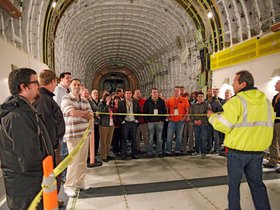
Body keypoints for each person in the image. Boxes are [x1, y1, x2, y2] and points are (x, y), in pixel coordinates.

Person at [207, 70, 274, 210]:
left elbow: (224, 125)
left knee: (234, 185)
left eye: (234, 81)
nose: (232, 84)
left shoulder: (237, 101)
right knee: (257, 184)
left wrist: (212, 116)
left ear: (243, 84)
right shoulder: (266, 101)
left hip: (238, 151)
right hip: (257, 151)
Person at [0, 68, 54, 210]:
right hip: (26, 189)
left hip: (32, 184)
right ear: (23, 87)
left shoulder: (25, 110)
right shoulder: (16, 116)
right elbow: (28, 155)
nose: (39, 86)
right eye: (35, 82)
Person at [34, 69, 65, 207]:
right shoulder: (44, 100)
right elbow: (47, 126)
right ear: (53, 81)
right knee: (51, 176)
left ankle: (52, 199)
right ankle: (50, 202)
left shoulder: (46, 98)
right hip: (50, 147)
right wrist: (53, 146)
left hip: (51, 145)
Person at [61, 79, 93, 197]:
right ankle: (69, 186)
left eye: (79, 85)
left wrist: (81, 113)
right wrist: (84, 113)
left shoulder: (84, 100)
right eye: (74, 84)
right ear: (70, 86)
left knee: (82, 161)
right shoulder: (66, 98)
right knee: (73, 162)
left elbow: (91, 115)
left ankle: (80, 182)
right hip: (73, 135)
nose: (77, 87)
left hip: (84, 134)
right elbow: (71, 113)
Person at [53, 72, 72, 182]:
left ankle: (66, 174)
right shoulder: (59, 90)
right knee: (63, 152)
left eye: (70, 78)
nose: (69, 79)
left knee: (67, 151)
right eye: (67, 78)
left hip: (67, 125)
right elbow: (59, 108)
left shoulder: (66, 90)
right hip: (62, 125)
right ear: (61, 79)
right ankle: (64, 176)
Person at [165, 86, 190, 155]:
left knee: (179, 136)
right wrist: (168, 116)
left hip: (180, 121)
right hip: (172, 121)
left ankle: (177, 150)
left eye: (177, 91)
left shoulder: (184, 100)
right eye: (175, 91)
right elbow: (166, 108)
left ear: (180, 92)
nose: (176, 92)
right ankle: (168, 150)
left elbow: (187, 110)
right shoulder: (170, 100)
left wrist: (184, 118)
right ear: (173, 92)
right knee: (169, 135)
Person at [117, 89, 141, 159]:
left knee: (134, 139)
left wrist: (137, 119)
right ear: (125, 94)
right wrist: (122, 121)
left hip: (133, 122)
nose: (129, 95)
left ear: (131, 94)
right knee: (124, 139)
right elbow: (118, 113)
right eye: (127, 93)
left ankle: (134, 154)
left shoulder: (135, 102)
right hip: (125, 123)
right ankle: (124, 154)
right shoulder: (121, 102)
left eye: (130, 93)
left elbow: (139, 111)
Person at [143, 88, 167, 157]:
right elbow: (145, 112)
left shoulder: (161, 101)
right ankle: (149, 152)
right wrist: (147, 121)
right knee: (150, 138)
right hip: (150, 123)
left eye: (156, 92)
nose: (155, 94)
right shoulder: (147, 101)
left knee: (159, 138)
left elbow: (164, 112)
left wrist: (162, 120)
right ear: (151, 93)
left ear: (158, 93)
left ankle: (160, 152)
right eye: (153, 92)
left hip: (159, 122)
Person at [263, 79, 280, 172]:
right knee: (272, 142)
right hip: (273, 122)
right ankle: (273, 161)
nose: (275, 85)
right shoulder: (275, 97)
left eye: (277, 84)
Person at [190, 92, 211, 158]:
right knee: (197, 137)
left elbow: (208, 114)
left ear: (203, 98)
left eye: (202, 96)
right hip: (196, 124)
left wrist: (201, 121)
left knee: (203, 138)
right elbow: (191, 114)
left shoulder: (207, 105)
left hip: (204, 125)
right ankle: (196, 150)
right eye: (199, 96)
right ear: (197, 98)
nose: (200, 98)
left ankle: (203, 152)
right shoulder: (194, 105)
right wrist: (194, 121)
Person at [98, 93, 115, 162]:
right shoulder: (101, 104)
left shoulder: (111, 105)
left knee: (109, 141)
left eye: (110, 98)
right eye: (107, 98)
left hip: (111, 124)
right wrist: (107, 105)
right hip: (104, 124)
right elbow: (101, 112)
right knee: (103, 141)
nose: (109, 99)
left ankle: (107, 154)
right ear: (104, 98)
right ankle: (103, 156)